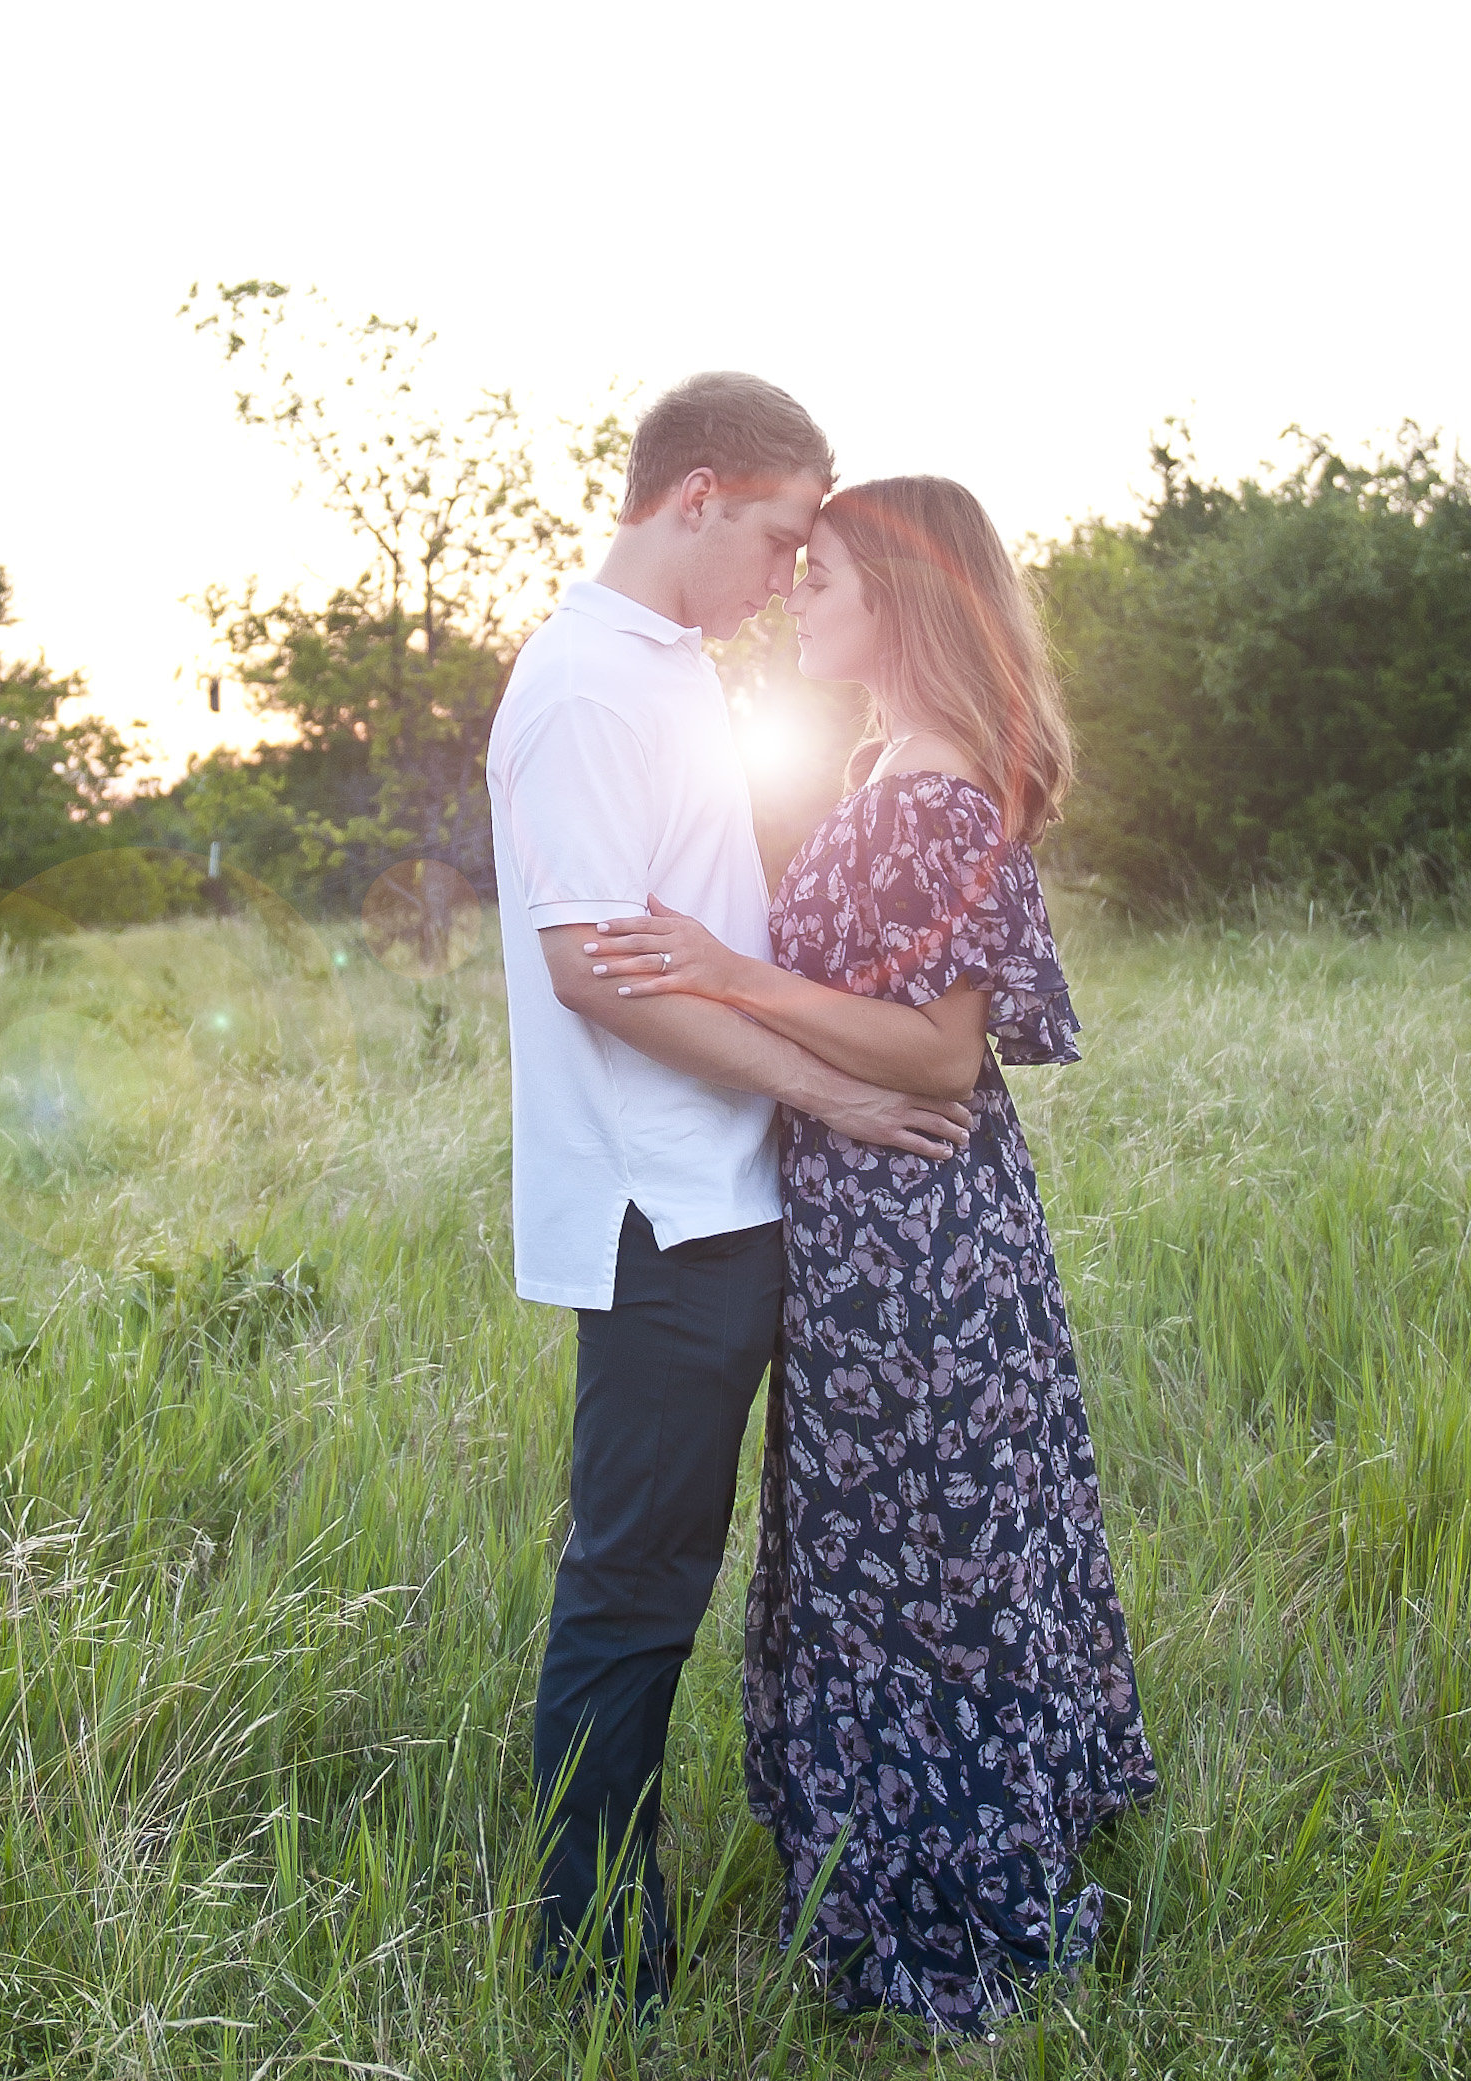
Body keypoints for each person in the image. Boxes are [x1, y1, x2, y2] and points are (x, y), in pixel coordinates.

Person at [579, 474, 1158, 2039]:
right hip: (887, 1230)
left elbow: (936, 1060)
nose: (795, 597)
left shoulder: (933, 793)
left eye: (819, 574)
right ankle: (908, 1863)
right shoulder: (886, 766)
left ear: (900, 598)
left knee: (912, 1574)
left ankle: (946, 1918)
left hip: (916, 1248)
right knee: (886, 1566)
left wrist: (724, 975)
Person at [486, 377, 978, 2008]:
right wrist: (840, 1086)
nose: (786, 575)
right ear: (694, 496)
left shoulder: (674, 670)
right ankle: (592, 1960)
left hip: (732, 1194)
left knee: (727, 1581)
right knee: (632, 1590)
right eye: (777, 536)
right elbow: (595, 975)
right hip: (659, 1218)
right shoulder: (578, 688)